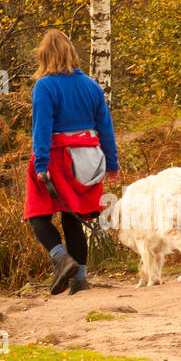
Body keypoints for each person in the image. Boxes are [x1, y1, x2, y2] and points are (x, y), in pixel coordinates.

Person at [24, 30, 119, 294]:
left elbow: (41, 128)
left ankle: (61, 258)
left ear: (44, 56)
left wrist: (41, 165)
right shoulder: (91, 85)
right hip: (88, 160)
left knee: (36, 214)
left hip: (55, 158)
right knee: (73, 219)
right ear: (71, 53)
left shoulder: (45, 86)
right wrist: (111, 163)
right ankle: (80, 280)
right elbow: (105, 127)